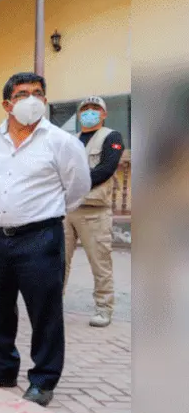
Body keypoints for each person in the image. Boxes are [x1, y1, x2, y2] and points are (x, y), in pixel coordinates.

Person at [0, 72, 90, 407]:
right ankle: (3, 368)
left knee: (44, 311)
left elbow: (78, 187)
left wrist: (44, 214)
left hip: (39, 237)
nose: (32, 100)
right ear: (7, 103)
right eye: (23, 94)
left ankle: (43, 380)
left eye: (38, 93)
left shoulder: (61, 142)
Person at [64, 95, 125, 328]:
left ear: (104, 113)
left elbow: (106, 169)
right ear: (79, 115)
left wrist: (75, 184)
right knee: (59, 262)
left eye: (95, 108)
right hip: (67, 210)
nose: (90, 112)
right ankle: (52, 307)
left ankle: (103, 308)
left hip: (94, 210)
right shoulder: (72, 140)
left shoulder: (111, 137)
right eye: (85, 109)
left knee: (100, 263)